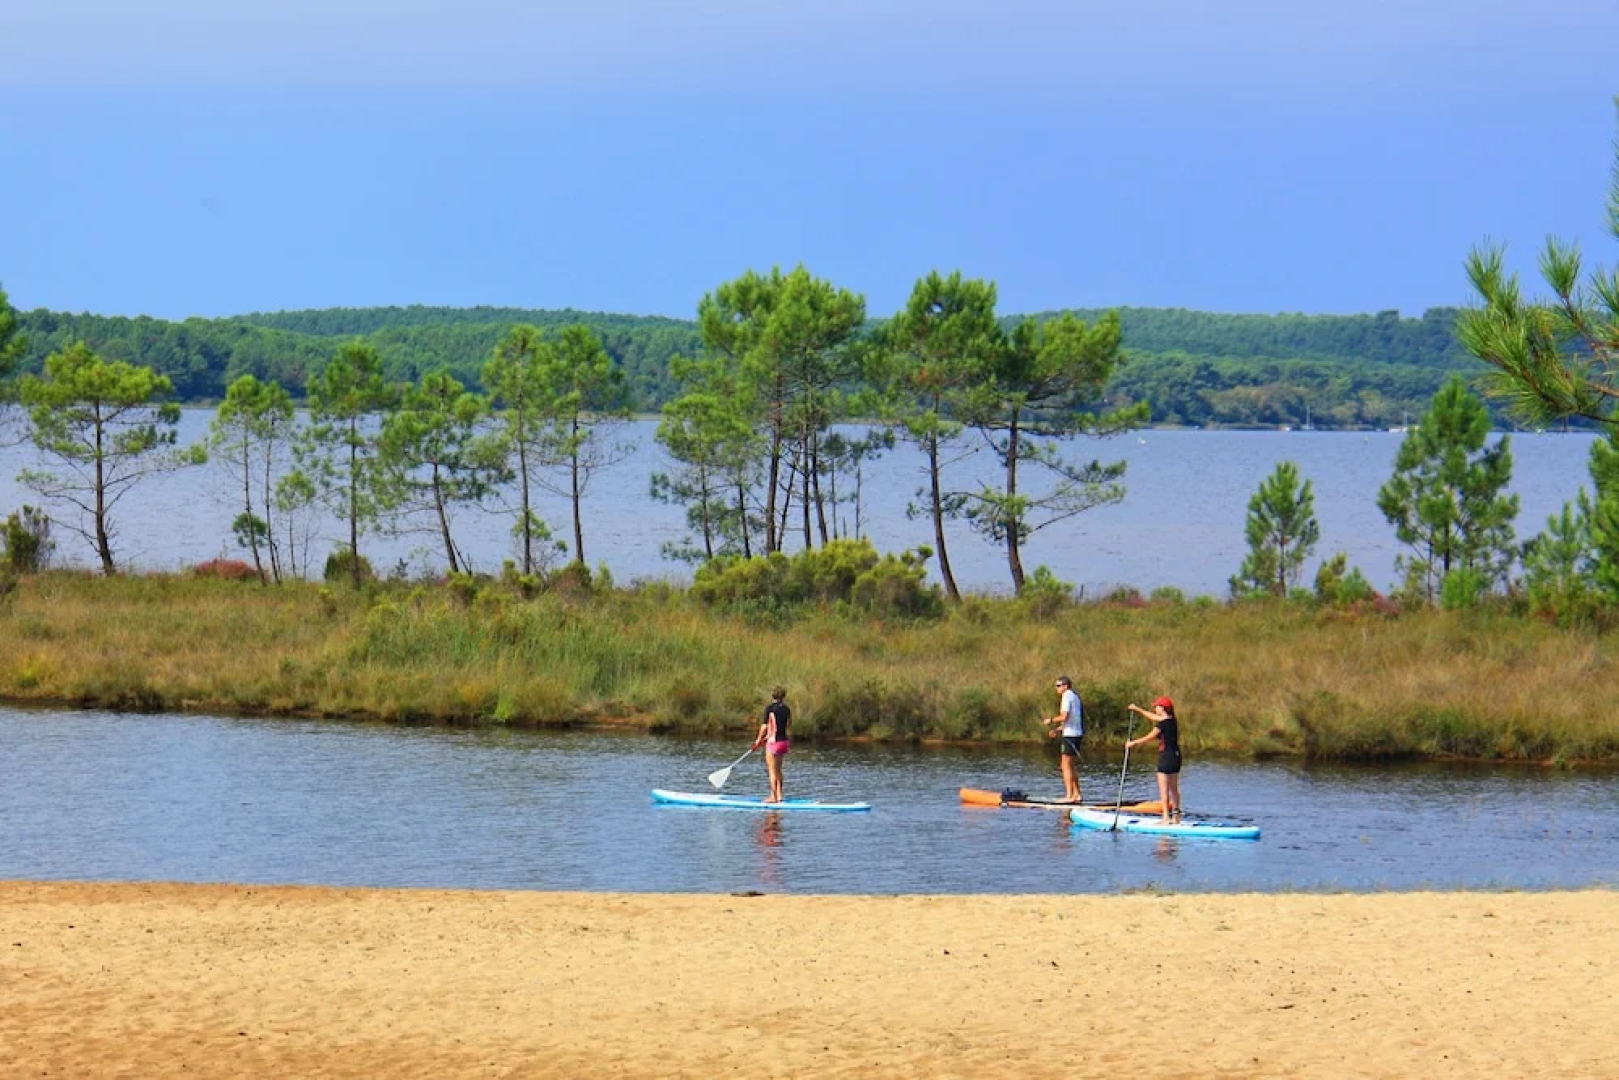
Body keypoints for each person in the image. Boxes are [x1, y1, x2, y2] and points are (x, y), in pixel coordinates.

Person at [1125, 696, 1182, 823]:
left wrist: (1133, 743)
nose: (1155, 708)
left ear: (1163, 708)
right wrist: (1137, 709)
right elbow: (1152, 717)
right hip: (1176, 757)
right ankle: (1176, 817)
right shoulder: (1172, 721)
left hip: (1166, 757)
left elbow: (1150, 736)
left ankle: (1166, 818)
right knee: (1174, 788)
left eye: (1157, 706)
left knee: (1164, 789)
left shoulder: (1162, 724)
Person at [1041, 675, 1084, 803]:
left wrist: (1051, 720)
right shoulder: (1075, 696)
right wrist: (1058, 730)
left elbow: (1065, 716)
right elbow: (1072, 719)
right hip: (1076, 734)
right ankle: (1077, 794)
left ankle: (1069, 796)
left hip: (1070, 735)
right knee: (1070, 765)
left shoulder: (1066, 696)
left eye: (1058, 686)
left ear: (1065, 686)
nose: (1057, 688)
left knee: (1064, 765)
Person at [751, 686, 791, 804]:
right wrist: (769, 736)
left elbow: (765, 726)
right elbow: (788, 725)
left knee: (772, 771)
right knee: (778, 770)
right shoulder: (787, 709)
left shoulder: (770, 709)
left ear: (773, 695)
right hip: (783, 742)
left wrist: (758, 740)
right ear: (783, 696)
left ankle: (773, 797)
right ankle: (780, 795)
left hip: (773, 743)